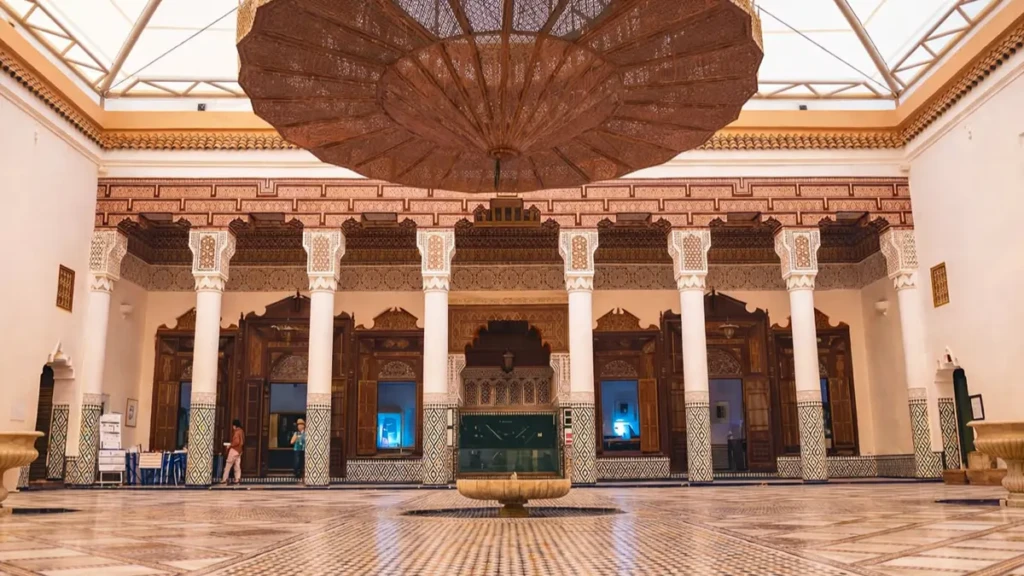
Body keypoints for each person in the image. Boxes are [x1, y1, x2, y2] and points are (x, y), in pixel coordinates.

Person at [222, 419, 244, 485]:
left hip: (234, 450)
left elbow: (236, 441)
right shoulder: (241, 431)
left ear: (235, 426)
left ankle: (225, 479)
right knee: (237, 465)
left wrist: (230, 445)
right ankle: (237, 479)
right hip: (239, 451)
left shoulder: (236, 432)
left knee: (228, 464)